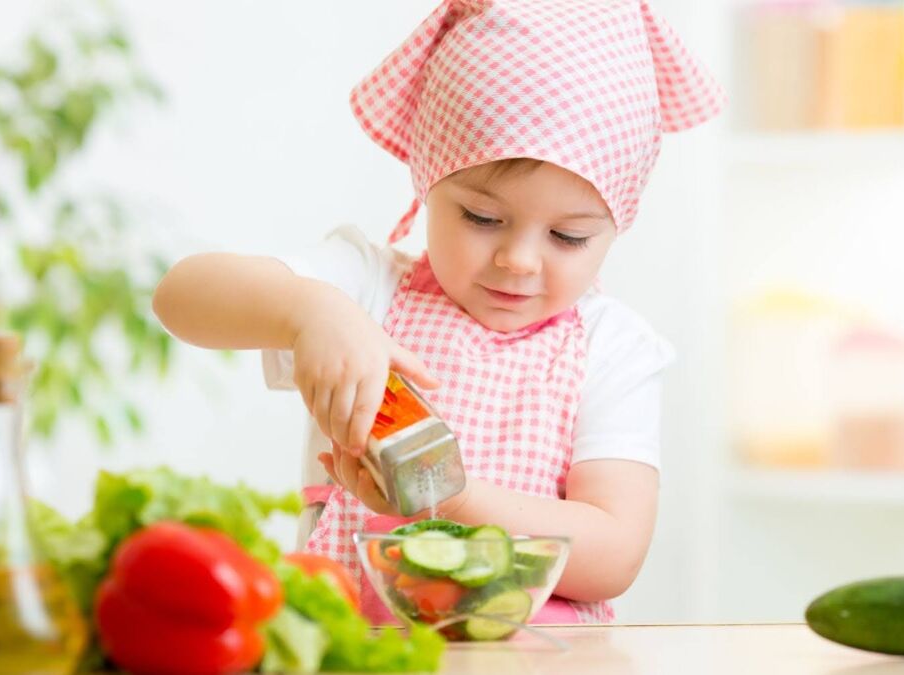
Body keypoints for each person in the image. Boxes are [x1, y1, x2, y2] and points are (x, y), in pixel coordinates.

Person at [152, 0, 724, 624]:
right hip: (356, 654)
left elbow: (614, 555)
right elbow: (180, 296)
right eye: (482, 218)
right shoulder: (365, 289)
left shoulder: (613, 349)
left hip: (539, 665)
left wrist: (448, 495)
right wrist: (307, 311)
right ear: (428, 183)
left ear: (615, 228)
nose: (519, 259)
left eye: (568, 237)